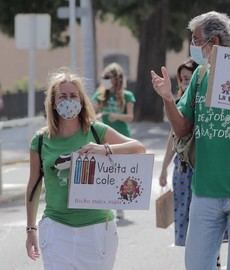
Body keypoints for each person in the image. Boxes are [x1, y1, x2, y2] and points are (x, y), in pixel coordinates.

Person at [151, 11, 230, 270]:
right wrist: (167, 99)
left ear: (215, 41)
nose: (194, 46)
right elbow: (183, 129)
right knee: (196, 264)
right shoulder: (199, 77)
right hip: (205, 191)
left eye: (197, 40)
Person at [25, 68, 145, 270]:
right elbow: (34, 186)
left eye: (73, 96)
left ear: (81, 101)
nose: (68, 100)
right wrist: (30, 230)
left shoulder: (96, 130)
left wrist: (104, 149)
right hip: (56, 229)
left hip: (98, 230)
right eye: (63, 96)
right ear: (53, 103)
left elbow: (138, 149)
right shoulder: (40, 140)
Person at [159, 59, 198, 247]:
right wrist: (164, 168)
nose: (184, 82)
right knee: (182, 210)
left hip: (202, 165)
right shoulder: (178, 101)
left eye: (189, 78)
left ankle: (211, 258)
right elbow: (173, 136)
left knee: (204, 214)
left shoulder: (205, 103)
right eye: (182, 79)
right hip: (182, 167)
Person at [92, 62, 136, 220]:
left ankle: (120, 205)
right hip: (102, 139)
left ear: (116, 79)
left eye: (108, 78)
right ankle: (104, 204)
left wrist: (116, 116)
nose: (105, 81)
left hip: (120, 137)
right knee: (104, 173)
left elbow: (130, 117)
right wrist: (98, 116)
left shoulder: (127, 95)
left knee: (119, 173)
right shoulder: (100, 95)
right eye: (104, 78)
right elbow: (92, 113)